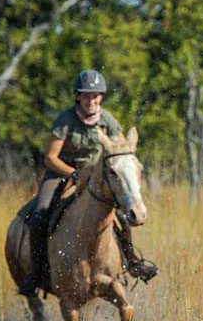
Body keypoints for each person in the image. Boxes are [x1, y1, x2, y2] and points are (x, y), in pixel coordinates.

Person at [18, 69, 158, 296]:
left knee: (122, 215)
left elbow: (121, 150)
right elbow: (50, 158)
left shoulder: (107, 120)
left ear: (101, 97)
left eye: (95, 96)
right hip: (62, 173)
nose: (91, 101)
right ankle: (37, 273)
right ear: (78, 97)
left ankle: (132, 262)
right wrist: (73, 175)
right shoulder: (65, 120)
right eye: (86, 96)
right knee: (40, 215)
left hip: (97, 176)